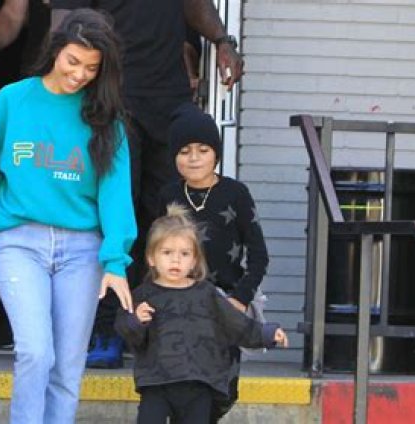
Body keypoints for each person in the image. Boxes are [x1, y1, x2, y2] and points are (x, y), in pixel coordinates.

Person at [0, 9, 137, 423]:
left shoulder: (106, 118)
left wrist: (115, 261)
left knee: (68, 367)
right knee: (36, 351)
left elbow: (115, 197)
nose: (80, 75)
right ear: (56, 50)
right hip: (20, 243)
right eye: (73, 61)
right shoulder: (12, 100)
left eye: (91, 68)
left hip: (83, 250)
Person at [50, 0, 245, 370]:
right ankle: (107, 329)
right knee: (113, 215)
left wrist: (222, 40)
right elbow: (63, 27)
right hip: (112, 101)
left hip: (168, 100)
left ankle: (162, 327)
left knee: (168, 220)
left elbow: (194, 5)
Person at [115, 204, 287, 424]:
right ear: (151, 258)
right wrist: (136, 320)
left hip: (200, 382)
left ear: (194, 260)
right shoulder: (143, 295)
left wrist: (266, 333)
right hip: (156, 382)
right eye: (167, 252)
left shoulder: (206, 293)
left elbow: (235, 322)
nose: (176, 260)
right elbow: (124, 330)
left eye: (184, 253)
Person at [158, 104, 270, 422]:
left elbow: (259, 255)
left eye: (203, 150)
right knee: (183, 385)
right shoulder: (167, 194)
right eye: (184, 151)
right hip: (179, 306)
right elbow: (154, 252)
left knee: (224, 390)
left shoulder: (235, 193)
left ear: (216, 154)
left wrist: (240, 299)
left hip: (224, 306)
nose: (194, 158)